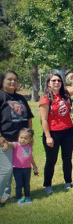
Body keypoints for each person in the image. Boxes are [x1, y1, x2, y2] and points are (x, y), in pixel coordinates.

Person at [39, 72, 73, 195]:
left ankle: (68, 182)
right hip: (53, 133)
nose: (56, 83)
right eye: (53, 81)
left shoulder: (65, 94)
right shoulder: (45, 98)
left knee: (67, 158)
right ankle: (47, 185)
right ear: (48, 83)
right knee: (51, 160)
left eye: (58, 80)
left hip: (68, 132)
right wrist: (48, 137)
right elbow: (43, 119)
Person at [0, 70, 34, 205]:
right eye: (9, 79)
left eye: (15, 79)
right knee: (7, 168)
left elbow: (29, 117)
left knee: (14, 167)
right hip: (5, 140)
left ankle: (6, 195)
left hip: (22, 141)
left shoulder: (21, 98)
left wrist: (30, 136)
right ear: (2, 80)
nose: (13, 82)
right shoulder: (1, 96)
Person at [0, 128, 37, 206]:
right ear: (18, 137)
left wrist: (34, 165)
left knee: (27, 183)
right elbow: (8, 143)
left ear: (30, 139)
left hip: (27, 169)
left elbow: (30, 157)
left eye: (25, 138)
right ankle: (19, 198)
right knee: (19, 184)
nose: (22, 140)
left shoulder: (29, 147)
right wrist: (5, 142)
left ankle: (27, 196)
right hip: (17, 169)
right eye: (21, 137)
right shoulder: (16, 144)